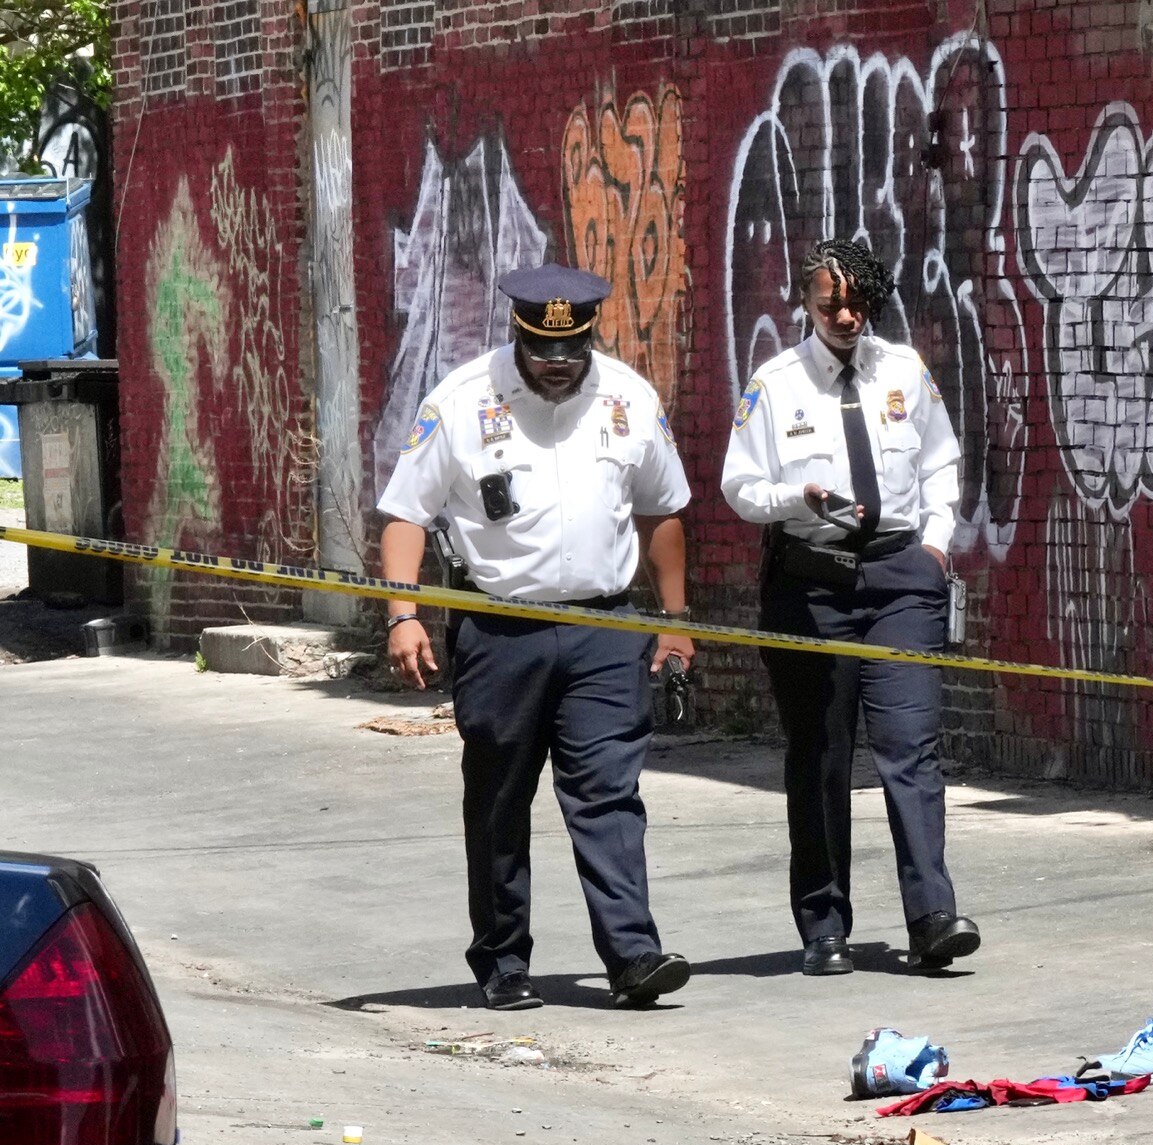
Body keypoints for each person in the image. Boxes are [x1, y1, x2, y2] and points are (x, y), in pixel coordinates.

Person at [376, 262, 697, 1012]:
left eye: (572, 352)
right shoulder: (461, 402)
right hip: (501, 632)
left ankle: (633, 956)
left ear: (589, 338)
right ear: (518, 335)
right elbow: (405, 514)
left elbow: (663, 511)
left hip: (604, 629)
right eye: (543, 352)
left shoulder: (627, 399)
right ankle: (502, 960)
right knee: (498, 798)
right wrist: (403, 613)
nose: (558, 366)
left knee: (609, 794)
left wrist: (676, 622)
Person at [721, 238, 979, 977]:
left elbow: (940, 459)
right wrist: (791, 498)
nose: (844, 314)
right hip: (812, 582)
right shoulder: (775, 384)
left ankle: (932, 916)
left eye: (857, 301)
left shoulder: (903, 370)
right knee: (823, 756)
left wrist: (934, 544)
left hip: (901, 578)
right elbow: (739, 485)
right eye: (829, 301)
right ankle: (824, 924)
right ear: (804, 300)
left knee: (911, 746)